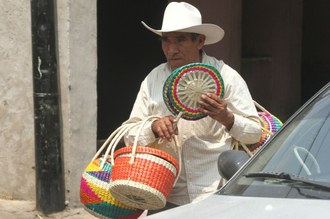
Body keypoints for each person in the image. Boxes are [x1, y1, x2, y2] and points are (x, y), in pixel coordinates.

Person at [123, 1, 262, 213]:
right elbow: (129, 134)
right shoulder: (153, 80)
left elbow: (255, 133)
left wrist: (227, 118)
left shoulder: (226, 76)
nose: (171, 48)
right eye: (166, 40)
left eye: (180, 40)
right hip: (166, 194)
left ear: (200, 41)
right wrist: (153, 127)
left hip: (216, 192)